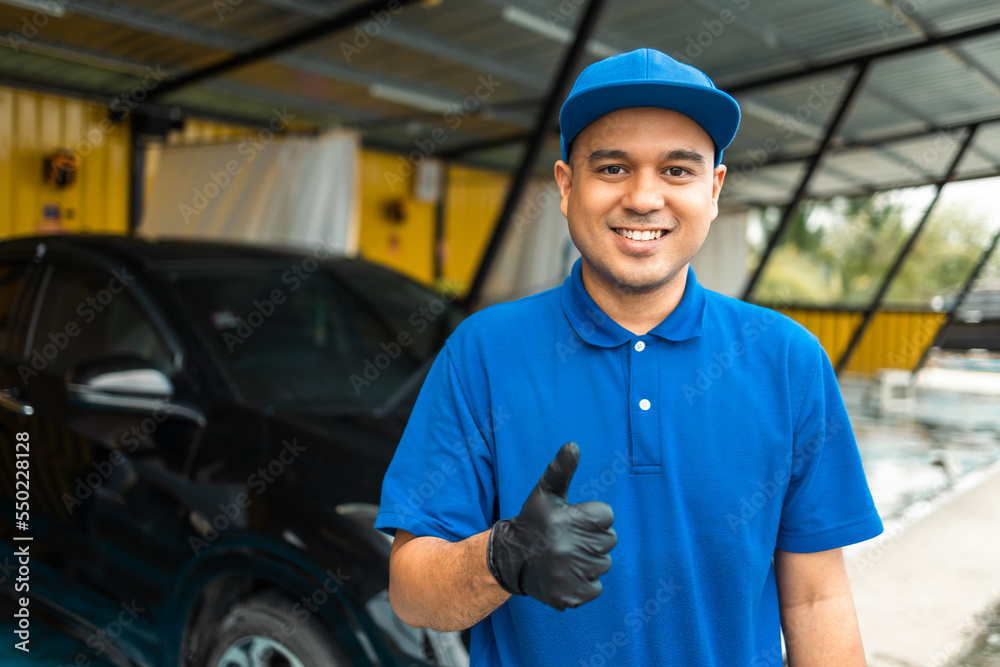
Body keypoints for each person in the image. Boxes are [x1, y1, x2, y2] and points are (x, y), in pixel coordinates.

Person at [375, 47, 883, 666]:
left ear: (714, 189)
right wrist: (498, 559)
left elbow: (816, 601)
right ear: (567, 187)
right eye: (612, 168)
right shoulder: (481, 353)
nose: (644, 198)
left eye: (677, 170)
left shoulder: (787, 360)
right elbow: (412, 595)